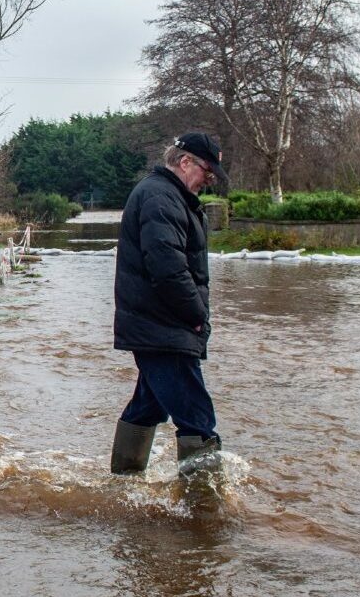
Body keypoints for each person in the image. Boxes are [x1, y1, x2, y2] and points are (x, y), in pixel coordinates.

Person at [110, 131, 227, 475]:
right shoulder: (161, 199)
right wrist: (196, 315)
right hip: (164, 328)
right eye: (207, 170)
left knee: (147, 407)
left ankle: (123, 486)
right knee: (197, 417)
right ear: (185, 161)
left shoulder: (169, 196)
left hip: (158, 326)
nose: (209, 180)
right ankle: (204, 511)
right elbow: (168, 269)